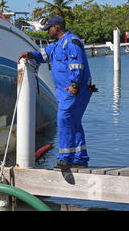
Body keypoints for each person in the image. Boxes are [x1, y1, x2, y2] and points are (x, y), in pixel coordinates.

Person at [18, 16, 97, 170]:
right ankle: (80, 159)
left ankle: (65, 159)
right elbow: (43, 56)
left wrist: (74, 84)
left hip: (75, 90)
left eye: (49, 28)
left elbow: (77, 65)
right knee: (73, 123)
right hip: (64, 92)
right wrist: (31, 54)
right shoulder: (55, 46)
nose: (48, 31)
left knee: (64, 119)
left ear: (57, 27)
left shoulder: (72, 42)